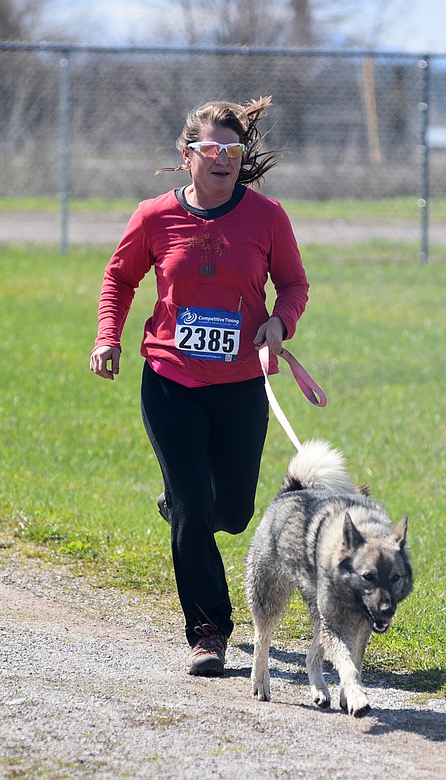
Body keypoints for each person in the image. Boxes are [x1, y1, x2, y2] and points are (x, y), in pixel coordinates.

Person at [88, 96, 310, 677]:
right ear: (186, 156)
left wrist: (278, 323)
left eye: (232, 151)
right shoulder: (154, 216)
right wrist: (107, 336)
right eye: (210, 150)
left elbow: (292, 284)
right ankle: (208, 631)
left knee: (232, 512)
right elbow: (119, 277)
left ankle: (188, 511)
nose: (223, 159)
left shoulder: (267, 217)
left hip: (240, 383)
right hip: (170, 380)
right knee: (192, 501)